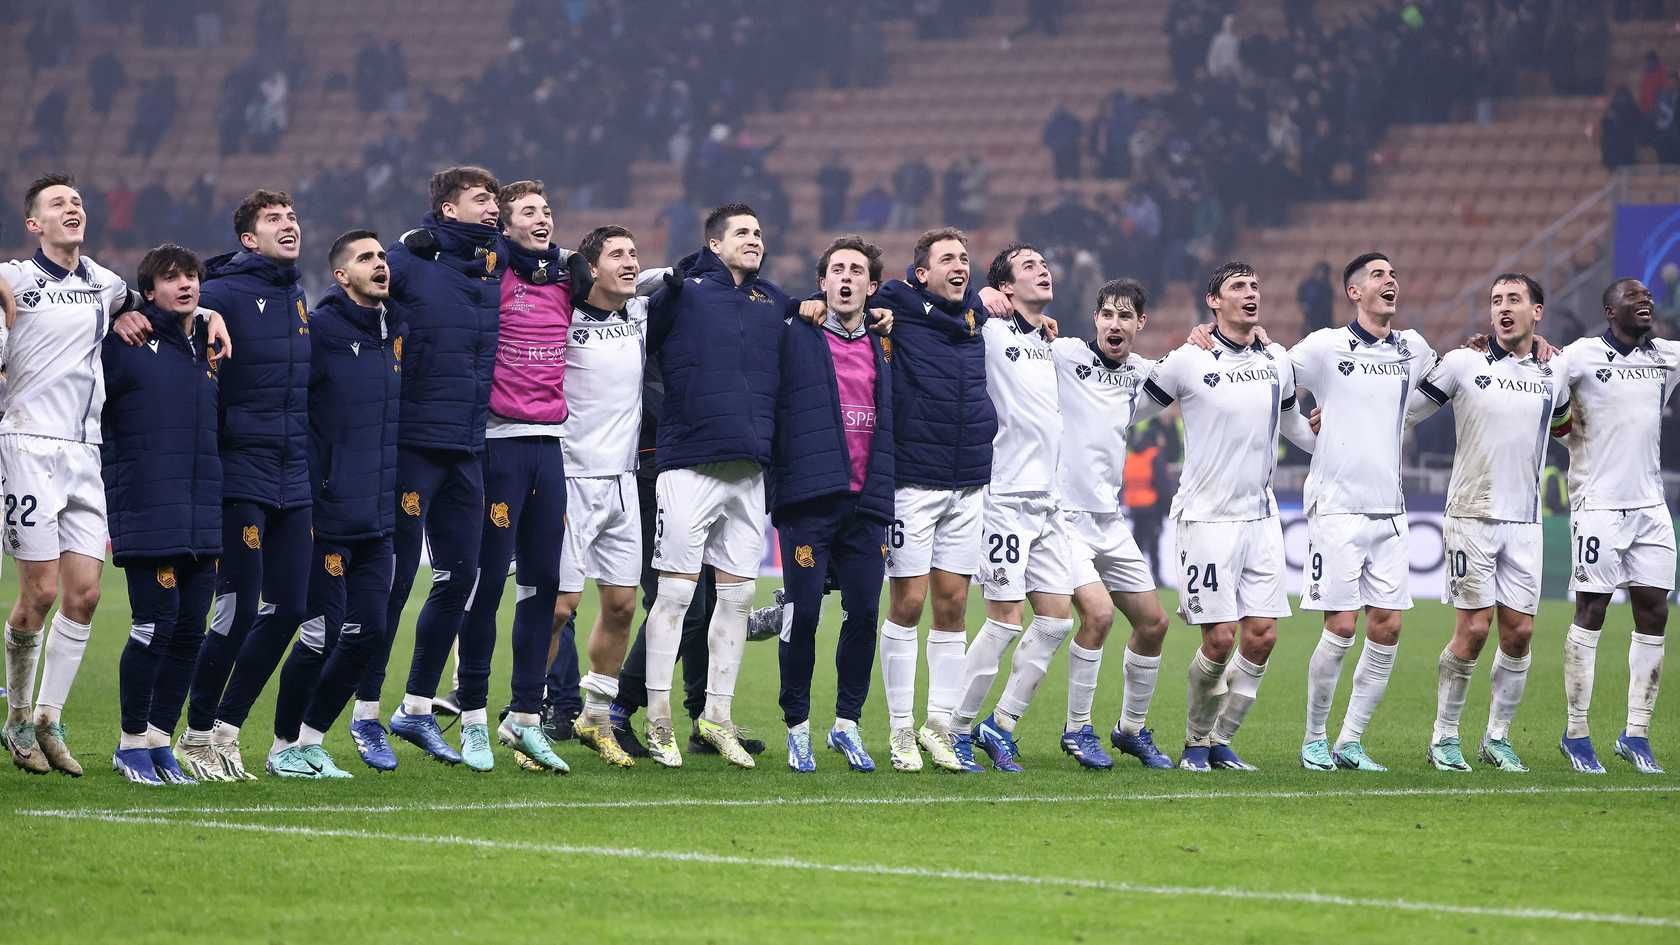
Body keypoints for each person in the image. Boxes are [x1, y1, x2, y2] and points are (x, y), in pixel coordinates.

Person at [1, 173, 228, 777]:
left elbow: (164, 303)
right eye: (57, 204)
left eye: (76, 201)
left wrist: (207, 311)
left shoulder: (106, 285)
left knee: (86, 595)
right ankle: (17, 713)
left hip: (86, 453)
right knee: (41, 594)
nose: (72, 208)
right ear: (34, 225)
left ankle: (48, 719)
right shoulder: (15, 279)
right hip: (26, 443)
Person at [355, 166, 505, 768]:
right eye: (479, 199)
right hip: (415, 442)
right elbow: (359, 284)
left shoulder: (495, 264)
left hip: (468, 446)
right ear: (446, 209)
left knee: (459, 577)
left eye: (495, 198)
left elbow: (562, 261)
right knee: (394, 582)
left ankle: (415, 709)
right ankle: (365, 714)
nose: (492, 207)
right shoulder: (411, 258)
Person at [638, 203, 792, 768]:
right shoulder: (682, 292)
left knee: (737, 597)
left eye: (759, 231)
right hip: (689, 466)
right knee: (676, 595)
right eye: (743, 233)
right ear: (714, 242)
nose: (755, 239)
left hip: (750, 471)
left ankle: (717, 718)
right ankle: (658, 721)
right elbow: (632, 337)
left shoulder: (774, 302)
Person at [1144, 262, 1315, 770]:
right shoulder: (1187, 359)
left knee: (1262, 635)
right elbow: (1132, 406)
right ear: (1213, 301)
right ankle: (1195, 742)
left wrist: (1330, 437)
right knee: (1219, 638)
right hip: (1205, 517)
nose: (1250, 293)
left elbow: (1293, 426)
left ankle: (1220, 739)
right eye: (1237, 287)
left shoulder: (1276, 359)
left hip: (1260, 518)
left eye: (1255, 286)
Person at [1405, 274, 1570, 773]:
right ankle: (1444, 737)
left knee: (1519, 633)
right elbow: (1405, 411)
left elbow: (1567, 429)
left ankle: (1497, 737)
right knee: (1475, 628)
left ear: (1536, 311)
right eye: (1496, 300)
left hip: (1525, 521)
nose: (1503, 307)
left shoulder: (1554, 370)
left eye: (1514, 300)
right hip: (1470, 515)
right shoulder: (1462, 363)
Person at [182, 190, 311, 782]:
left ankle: (229, 731)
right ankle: (194, 734)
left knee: (292, 607)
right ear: (247, 238)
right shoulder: (220, 296)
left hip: (293, 473)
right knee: (234, 610)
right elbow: (170, 320)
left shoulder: (297, 294)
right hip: (240, 471)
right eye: (273, 220)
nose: (288, 225)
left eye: (291, 217)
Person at [1292, 253, 1438, 772]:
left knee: (1389, 626)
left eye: (1393, 273)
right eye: (1378, 275)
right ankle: (1313, 739)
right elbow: (1274, 379)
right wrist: (1304, 429)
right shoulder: (1325, 347)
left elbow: (1445, 388)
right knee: (1341, 625)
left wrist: (1401, 418)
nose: (1390, 280)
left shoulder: (1413, 348)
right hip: (1336, 507)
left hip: (1391, 510)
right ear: (1355, 292)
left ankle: (1349, 741)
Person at [871, 227, 1008, 773]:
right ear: (921, 273)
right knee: (907, 604)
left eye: (965, 259)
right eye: (947, 259)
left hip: (969, 482)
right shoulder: (897, 306)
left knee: (952, 606)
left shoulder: (974, 316)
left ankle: (940, 727)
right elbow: (856, 299)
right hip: (913, 484)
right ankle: (901, 730)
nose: (960, 266)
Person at [452, 180, 577, 774]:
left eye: (547, 210)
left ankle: (525, 717)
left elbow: (633, 278)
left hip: (549, 446)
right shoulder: (489, 272)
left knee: (543, 586)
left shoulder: (566, 277)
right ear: (506, 225)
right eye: (529, 211)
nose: (543, 218)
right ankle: (472, 715)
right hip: (498, 446)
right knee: (488, 584)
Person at [268, 230, 403, 778]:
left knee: (370, 632)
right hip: (327, 512)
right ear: (342, 276)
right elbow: (296, 418)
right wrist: (306, 498)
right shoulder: (320, 332)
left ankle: (310, 740)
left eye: (383, 256)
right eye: (366, 258)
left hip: (376, 515)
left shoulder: (395, 330)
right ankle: (281, 748)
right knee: (323, 632)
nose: (381, 264)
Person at [949, 243, 1077, 773]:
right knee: (1005, 619)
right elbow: (942, 307)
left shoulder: (1053, 342)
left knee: (1056, 620)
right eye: (1029, 266)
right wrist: (976, 298)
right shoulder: (991, 330)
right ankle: (954, 728)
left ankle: (999, 724)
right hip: (1004, 498)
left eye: (1045, 263)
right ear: (1005, 287)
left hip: (1048, 502)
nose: (1043, 269)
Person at [772, 236, 894, 772]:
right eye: (837, 270)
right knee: (802, 614)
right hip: (810, 501)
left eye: (857, 272)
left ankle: (847, 724)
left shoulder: (887, 341)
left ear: (871, 286)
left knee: (864, 614)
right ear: (821, 282)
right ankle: (797, 726)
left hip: (866, 504)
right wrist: (793, 304)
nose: (846, 279)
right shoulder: (794, 332)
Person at [550, 224, 667, 768]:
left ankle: (596, 716)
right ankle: (526, 714)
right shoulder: (564, 319)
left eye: (633, 252)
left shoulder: (640, 316)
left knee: (621, 605)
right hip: (571, 478)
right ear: (589, 268)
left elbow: (675, 277)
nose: (628, 260)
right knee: (559, 607)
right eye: (615, 254)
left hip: (624, 481)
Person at [103, 244, 221, 786]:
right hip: (149, 508)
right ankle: (129, 744)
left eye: (192, 277)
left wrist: (212, 316)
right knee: (155, 626)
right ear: (147, 292)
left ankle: (158, 740)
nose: (186, 285)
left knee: (191, 633)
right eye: (171, 279)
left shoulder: (205, 345)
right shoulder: (125, 343)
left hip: (201, 513)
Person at [1051, 279, 1174, 769]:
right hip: (1063, 517)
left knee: (1154, 623)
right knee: (1098, 617)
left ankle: (1130, 730)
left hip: (1109, 519)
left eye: (1125, 316)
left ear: (1140, 324)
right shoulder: (1063, 355)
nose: (1114, 324)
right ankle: (1077, 728)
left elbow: (1191, 372)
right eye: (1106, 314)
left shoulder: (1144, 373)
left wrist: (1208, 337)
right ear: (1095, 319)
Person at [1556, 278, 1676, 774]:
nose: (1644, 300)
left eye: (1648, 296)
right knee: (1593, 610)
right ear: (1609, 310)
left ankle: (1636, 733)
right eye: (1633, 296)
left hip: (1651, 505)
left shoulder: (1666, 357)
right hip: (1598, 504)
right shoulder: (1580, 356)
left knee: (1654, 612)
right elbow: (1545, 392)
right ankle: (1577, 732)